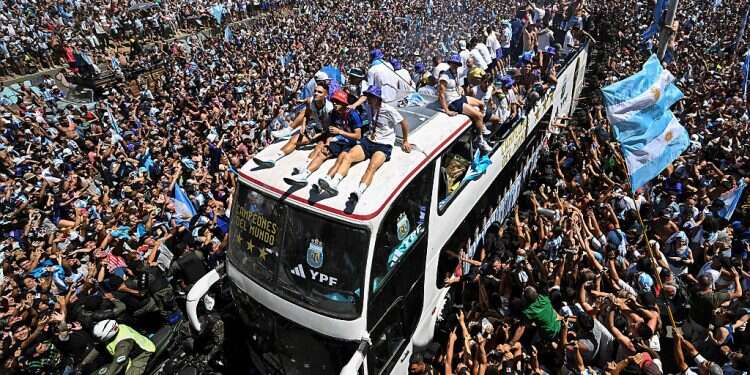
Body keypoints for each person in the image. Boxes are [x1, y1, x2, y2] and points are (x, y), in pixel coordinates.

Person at [317, 85, 411, 200]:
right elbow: (361, 98)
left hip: (383, 144)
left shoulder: (389, 110)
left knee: (372, 167)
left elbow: (403, 123)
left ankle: (359, 191)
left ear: (377, 98)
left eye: (371, 96)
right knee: (347, 156)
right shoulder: (369, 106)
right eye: (368, 96)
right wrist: (353, 104)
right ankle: (334, 184)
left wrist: (406, 140)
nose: (368, 98)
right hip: (369, 141)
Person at [285, 90, 363, 186]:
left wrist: (340, 132)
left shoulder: (353, 115)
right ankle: (304, 176)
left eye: (337, 101)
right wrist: (328, 143)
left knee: (341, 159)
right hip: (340, 139)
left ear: (343, 103)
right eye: (334, 100)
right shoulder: (334, 113)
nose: (334, 103)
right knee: (322, 152)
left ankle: (330, 181)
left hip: (352, 143)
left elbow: (358, 136)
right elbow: (331, 131)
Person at [253, 83, 333, 168]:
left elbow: (329, 128)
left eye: (320, 92)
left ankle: (304, 167)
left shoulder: (329, 109)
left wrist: (315, 136)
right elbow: (307, 113)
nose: (316, 93)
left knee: (319, 148)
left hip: (326, 133)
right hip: (317, 128)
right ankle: (273, 159)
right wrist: (303, 124)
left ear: (326, 94)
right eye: (315, 91)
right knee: (294, 139)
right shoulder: (311, 101)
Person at [437, 53, 492, 152]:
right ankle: (480, 139)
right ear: (450, 63)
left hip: (459, 97)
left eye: (456, 63)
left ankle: (480, 126)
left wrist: (460, 89)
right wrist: (447, 110)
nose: (455, 65)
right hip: (453, 102)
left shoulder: (455, 73)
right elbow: (441, 94)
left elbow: (455, 85)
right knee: (478, 115)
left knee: (481, 104)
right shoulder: (444, 76)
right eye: (453, 63)